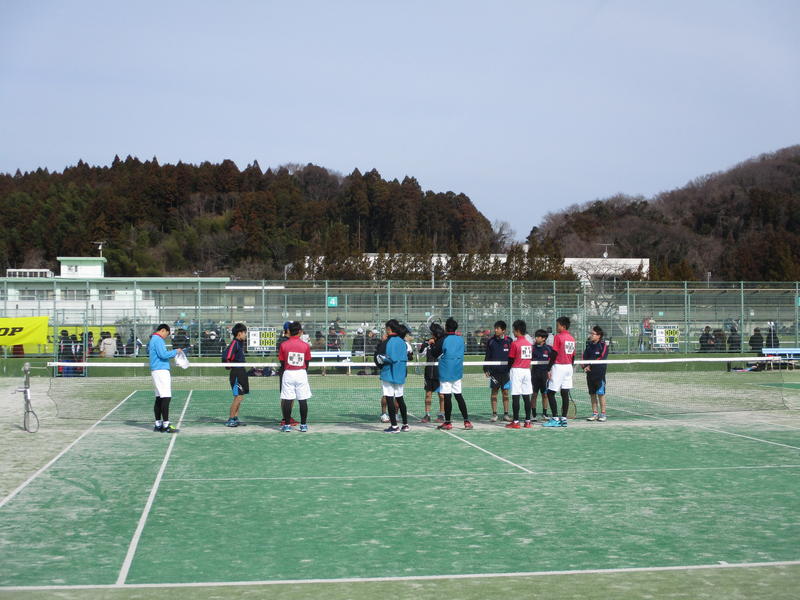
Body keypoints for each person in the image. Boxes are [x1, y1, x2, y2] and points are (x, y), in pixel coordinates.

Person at [432, 317, 472, 430]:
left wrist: (433, 344)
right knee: (459, 396)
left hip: (445, 372)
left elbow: (435, 353)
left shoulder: (443, 340)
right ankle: (467, 421)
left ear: (446, 327)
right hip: (457, 371)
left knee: (447, 397)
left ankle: (448, 422)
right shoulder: (460, 340)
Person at [375, 319, 410, 432]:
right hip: (400, 374)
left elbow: (378, 358)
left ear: (389, 329)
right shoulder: (403, 342)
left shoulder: (386, 342)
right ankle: (405, 424)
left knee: (389, 398)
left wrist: (381, 342)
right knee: (400, 399)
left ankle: (394, 426)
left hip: (388, 373)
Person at [148, 324, 183, 433]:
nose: (166, 336)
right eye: (166, 334)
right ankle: (166, 425)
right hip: (161, 371)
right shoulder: (158, 339)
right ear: (163, 330)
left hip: (156, 370)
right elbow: (163, 355)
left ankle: (158, 424)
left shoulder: (153, 339)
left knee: (159, 398)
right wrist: (176, 351)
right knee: (166, 397)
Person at [278, 321, 312, 432]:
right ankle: (303, 425)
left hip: (288, 373)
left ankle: (287, 425)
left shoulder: (284, 345)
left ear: (289, 331)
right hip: (301, 373)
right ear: (300, 332)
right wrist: (303, 371)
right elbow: (307, 363)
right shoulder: (305, 346)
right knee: (303, 400)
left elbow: (282, 363)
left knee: (287, 400)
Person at [543, 316, 576, 428]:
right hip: (568, 367)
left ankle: (555, 418)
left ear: (563, 326)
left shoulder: (558, 337)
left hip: (559, 367)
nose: (556, 327)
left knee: (550, 393)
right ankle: (563, 419)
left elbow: (554, 353)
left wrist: (548, 368)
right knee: (564, 393)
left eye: (558, 325)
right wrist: (570, 367)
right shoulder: (571, 338)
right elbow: (573, 356)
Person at [505, 320, 534, 428]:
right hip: (527, 370)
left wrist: (507, 370)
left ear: (517, 330)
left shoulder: (515, 343)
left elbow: (511, 359)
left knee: (516, 396)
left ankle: (516, 422)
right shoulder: (529, 344)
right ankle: (527, 421)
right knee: (527, 397)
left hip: (517, 370)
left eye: (514, 330)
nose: (513, 332)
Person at [483, 320, 512, 422]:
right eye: (495, 328)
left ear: (503, 330)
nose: (495, 330)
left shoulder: (509, 341)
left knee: (505, 393)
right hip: (494, 372)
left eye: (498, 328)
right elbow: (487, 356)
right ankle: (494, 414)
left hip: (505, 372)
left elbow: (512, 357)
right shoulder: (491, 341)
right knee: (494, 393)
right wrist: (486, 368)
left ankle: (506, 414)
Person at [418, 322, 446, 423]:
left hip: (440, 373)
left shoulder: (442, 343)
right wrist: (425, 344)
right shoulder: (427, 343)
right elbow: (420, 353)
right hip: (428, 373)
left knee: (442, 395)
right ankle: (427, 414)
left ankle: (442, 414)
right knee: (428, 395)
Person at [222, 323, 249, 427]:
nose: (245, 335)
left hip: (241, 371)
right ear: (239, 333)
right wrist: (230, 366)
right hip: (236, 372)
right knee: (237, 397)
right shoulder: (234, 343)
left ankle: (235, 418)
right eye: (244, 333)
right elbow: (227, 356)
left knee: (240, 397)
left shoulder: (240, 343)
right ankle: (230, 419)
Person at [583, 325, 610, 422]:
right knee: (592, 394)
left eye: (593, 334)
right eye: (591, 334)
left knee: (601, 394)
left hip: (600, 374)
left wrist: (590, 365)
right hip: (590, 375)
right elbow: (584, 357)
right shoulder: (589, 345)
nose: (591, 336)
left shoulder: (603, 346)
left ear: (599, 336)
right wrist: (585, 366)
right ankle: (595, 413)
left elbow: (601, 357)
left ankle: (603, 414)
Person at [531, 329, 553, 420]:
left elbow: (552, 361)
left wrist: (550, 371)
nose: (536, 338)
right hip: (535, 375)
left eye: (538, 336)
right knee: (534, 394)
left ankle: (545, 413)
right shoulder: (532, 348)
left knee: (545, 394)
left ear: (544, 338)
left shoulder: (549, 349)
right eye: (536, 336)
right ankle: (533, 414)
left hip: (544, 375)